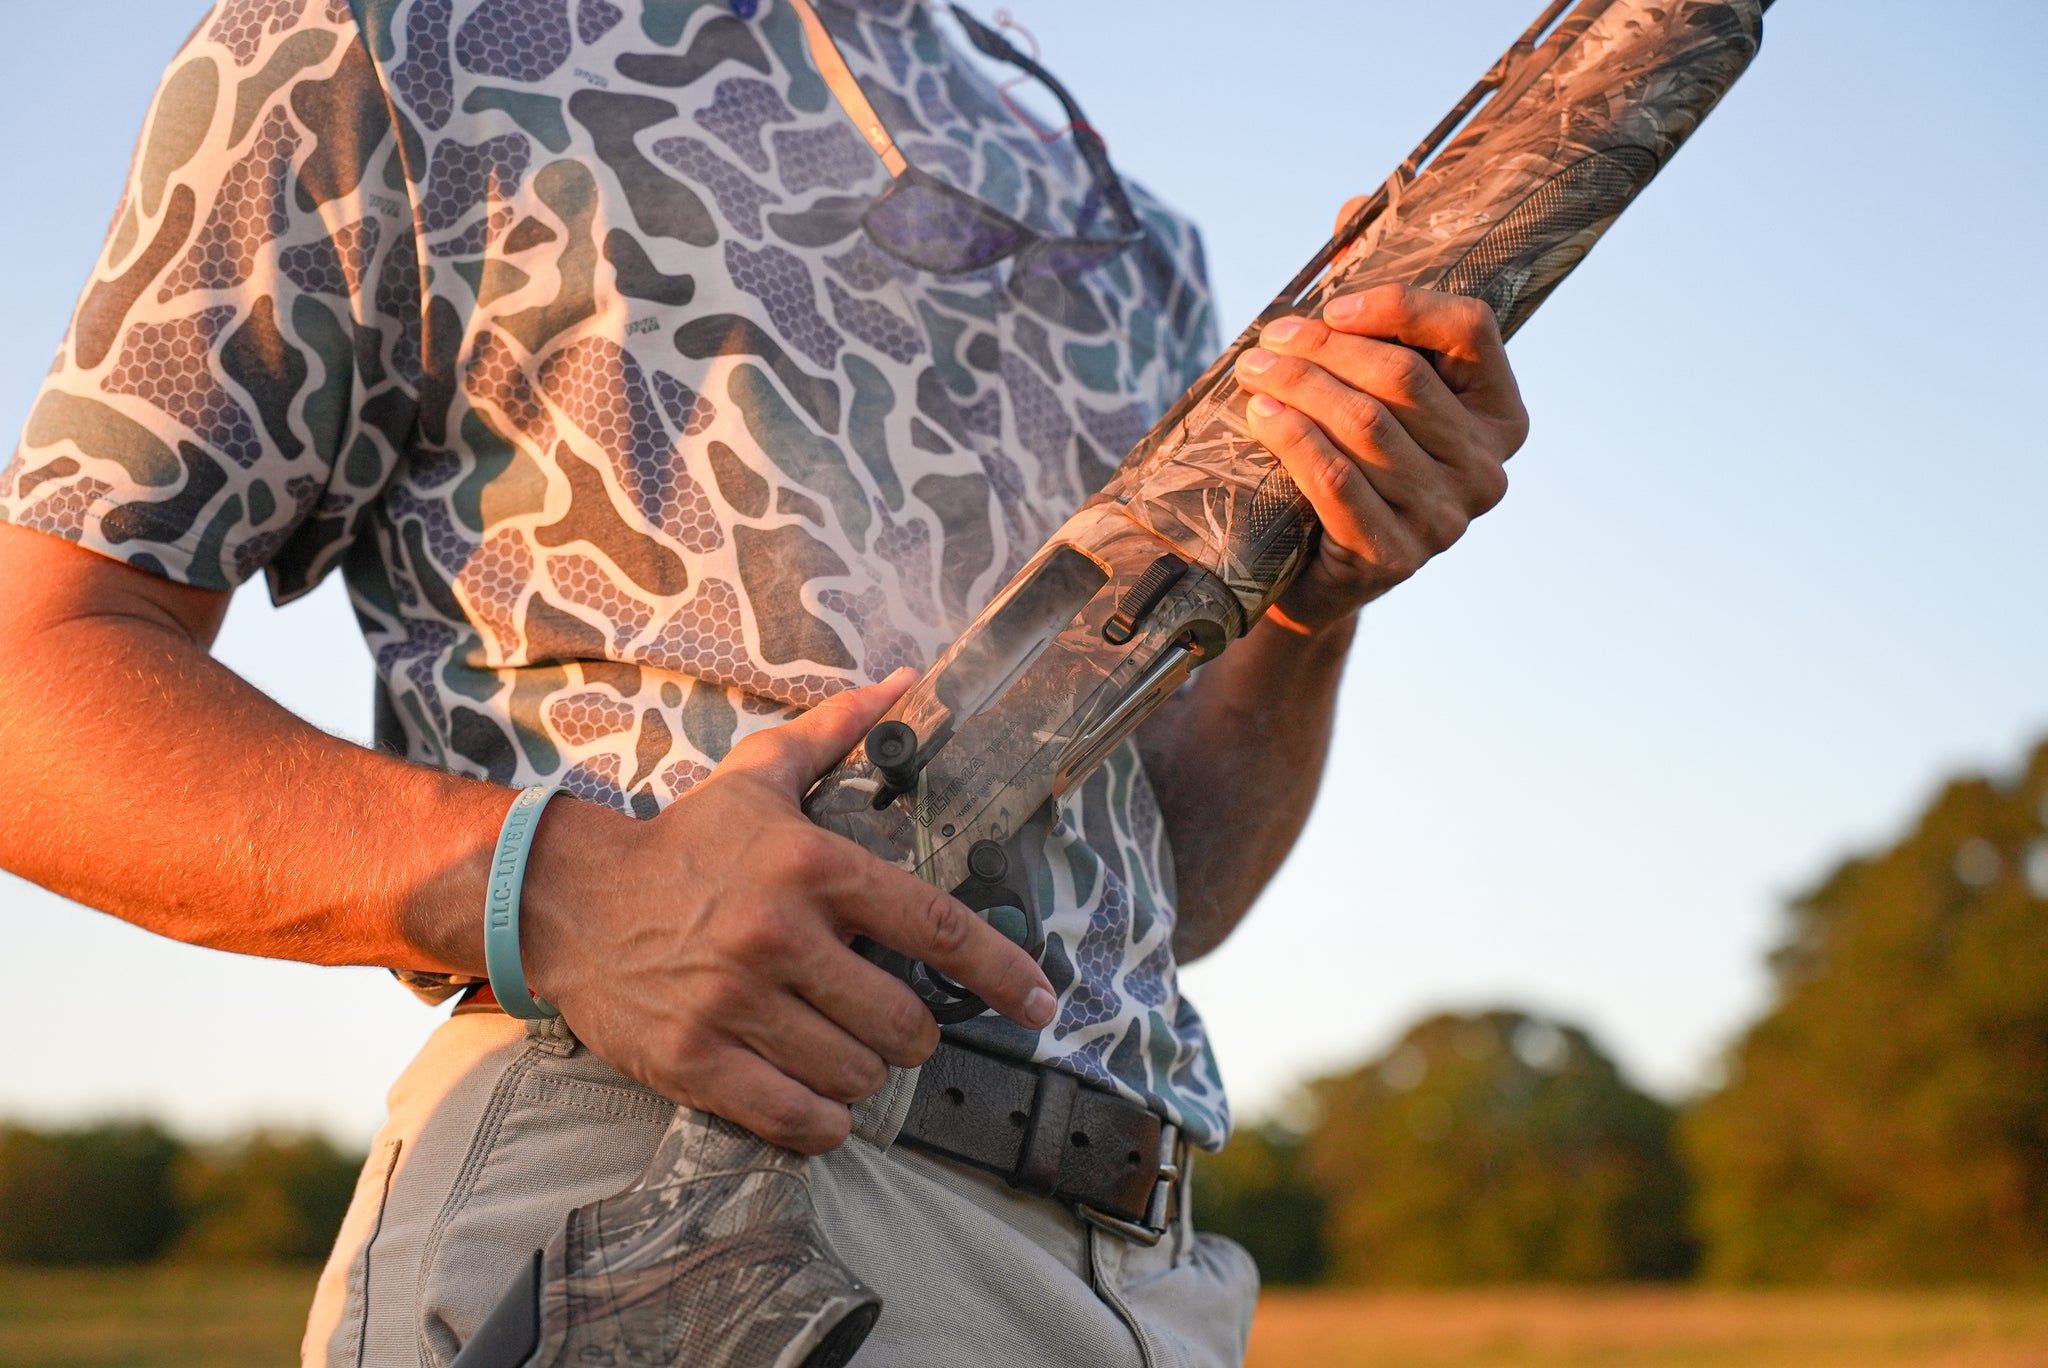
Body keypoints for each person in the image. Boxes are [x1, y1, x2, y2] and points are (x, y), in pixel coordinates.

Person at [0, 0, 1526, 1362]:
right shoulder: (387, 42)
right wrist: (567, 888)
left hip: (1145, 1274)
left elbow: (1163, 904)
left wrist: (1309, 610)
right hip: (663, 1208)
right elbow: (33, 680)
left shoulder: (1125, 228)